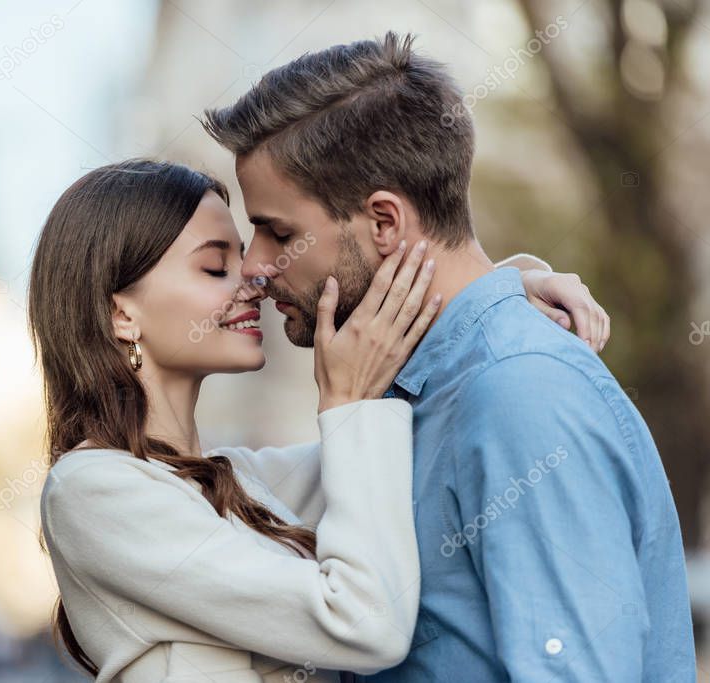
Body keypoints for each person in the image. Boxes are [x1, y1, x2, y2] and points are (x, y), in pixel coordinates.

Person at [203, 32, 694, 682]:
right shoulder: (406, 394)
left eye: (280, 233)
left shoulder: (516, 394)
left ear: (383, 221)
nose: (257, 267)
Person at [31, 159, 605, 682]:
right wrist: (346, 403)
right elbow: (367, 623)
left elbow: (411, 431)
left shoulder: (241, 482)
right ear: (120, 313)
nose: (254, 279)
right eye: (214, 267)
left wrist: (497, 291)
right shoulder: (92, 490)